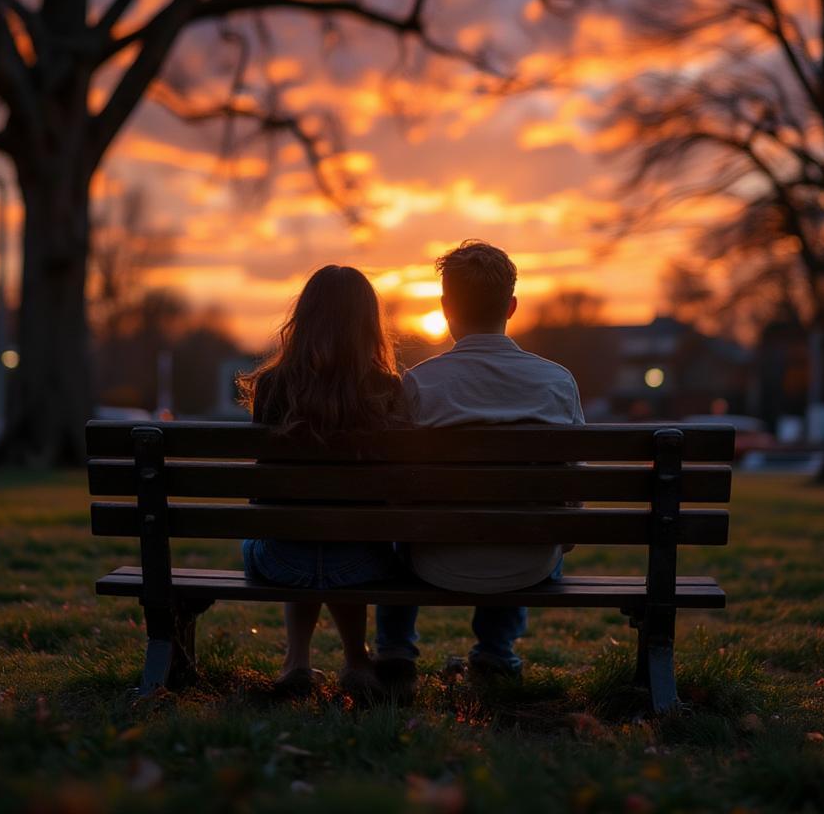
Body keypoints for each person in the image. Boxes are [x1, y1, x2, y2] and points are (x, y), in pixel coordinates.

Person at [376, 240, 584, 689]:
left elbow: (393, 489)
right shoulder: (557, 381)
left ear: (446, 306)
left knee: (396, 526)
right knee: (521, 524)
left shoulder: (419, 384)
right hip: (528, 561)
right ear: (511, 306)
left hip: (434, 558)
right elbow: (573, 485)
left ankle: (395, 650)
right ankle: (495, 652)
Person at [239, 265, 404, 697]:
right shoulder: (386, 389)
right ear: (369, 324)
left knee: (298, 530)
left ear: (303, 319)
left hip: (281, 560)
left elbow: (264, 494)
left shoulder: (274, 386)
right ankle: (355, 660)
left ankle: (296, 662)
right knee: (345, 538)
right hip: (362, 562)